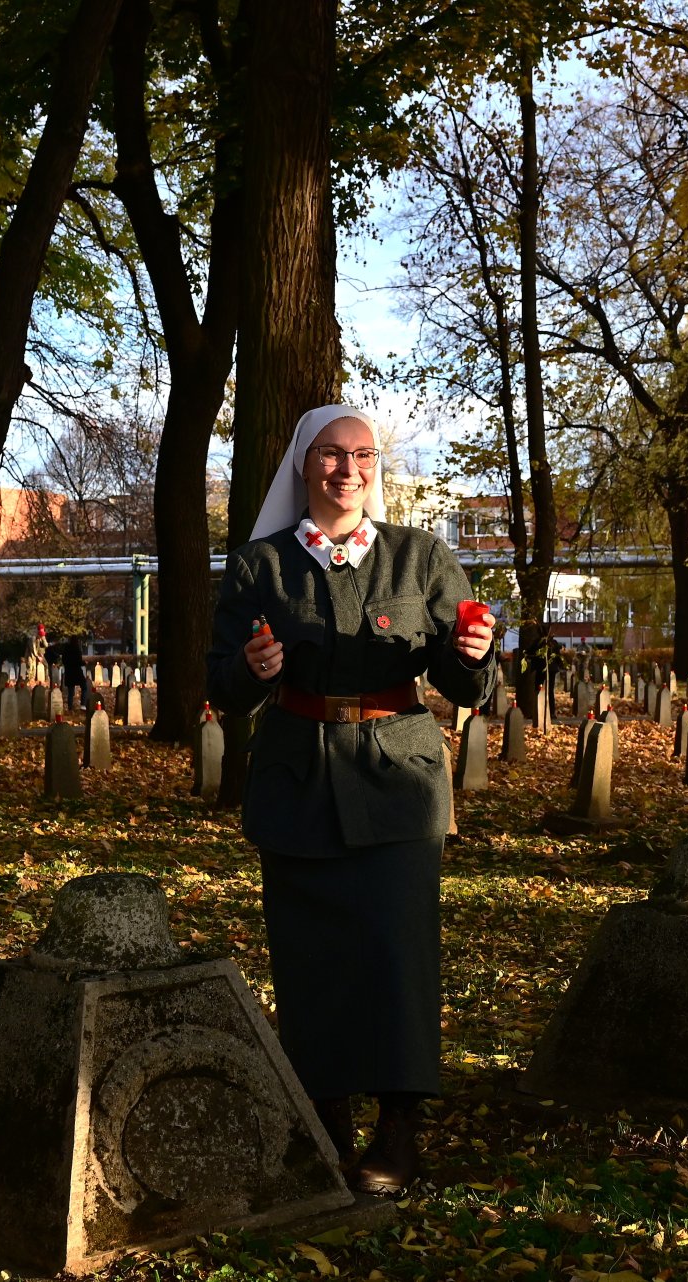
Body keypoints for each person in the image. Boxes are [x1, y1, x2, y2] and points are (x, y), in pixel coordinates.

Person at [207, 405, 496, 1196]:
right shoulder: (260, 566)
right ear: (304, 466)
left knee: (399, 954)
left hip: (400, 782)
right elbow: (222, 684)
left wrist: (474, 653)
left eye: (362, 455)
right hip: (297, 778)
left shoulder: (421, 557)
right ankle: (325, 1117)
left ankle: (399, 1127)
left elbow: (464, 681)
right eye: (331, 455)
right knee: (311, 958)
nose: (348, 469)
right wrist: (253, 669)